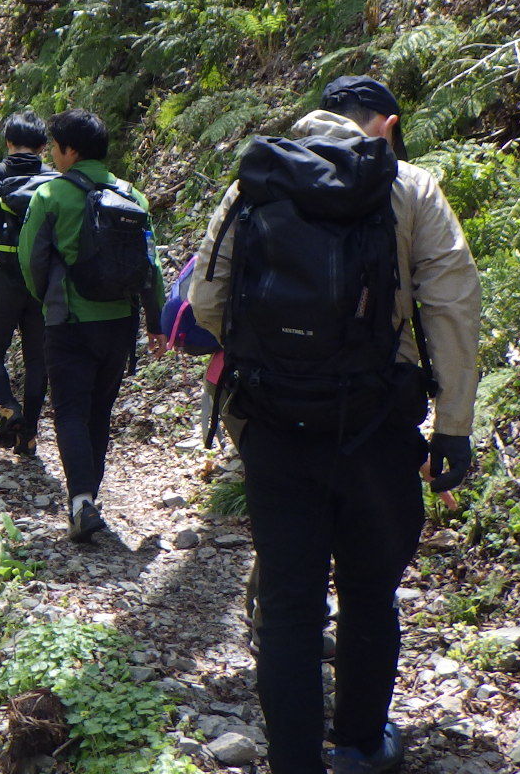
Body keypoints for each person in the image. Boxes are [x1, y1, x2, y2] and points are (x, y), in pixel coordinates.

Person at [189, 76, 481, 774]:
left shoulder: (257, 180)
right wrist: (455, 425)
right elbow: (453, 306)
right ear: (379, 126)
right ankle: (359, 744)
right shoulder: (411, 187)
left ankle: (294, 761)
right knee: (369, 592)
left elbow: (205, 302)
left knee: (289, 606)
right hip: (377, 422)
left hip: (274, 425)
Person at [17, 109, 164, 542]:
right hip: (120, 322)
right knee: (99, 411)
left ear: (70, 150)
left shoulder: (52, 195)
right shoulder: (131, 194)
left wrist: (48, 297)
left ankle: (81, 500)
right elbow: (150, 265)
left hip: (69, 321)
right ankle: (89, 502)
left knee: (70, 412)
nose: (55, 156)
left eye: (57, 147)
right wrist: (155, 321)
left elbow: (31, 259)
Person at [0, 112, 55, 456]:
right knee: (37, 361)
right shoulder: (54, 179)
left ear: (7, 142)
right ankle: (29, 436)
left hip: (1, 277)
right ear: (44, 146)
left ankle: (8, 407)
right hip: (41, 281)